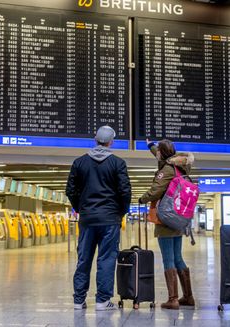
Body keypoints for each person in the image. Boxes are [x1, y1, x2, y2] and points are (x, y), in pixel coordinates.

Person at [66, 126, 131, 311]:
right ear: (111, 142)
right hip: (110, 219)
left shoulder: (79, 162)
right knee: (107, 259)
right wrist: (121, 212)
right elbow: (125, 191)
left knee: (83, 258)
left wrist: (81, 209)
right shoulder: (118, 163)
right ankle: (102, 301)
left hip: (87, 219)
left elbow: (70, 190)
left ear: (95, 140)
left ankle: (79, 300)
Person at [138, 139, 195, 310]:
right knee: (178, 258)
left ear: (162, 154)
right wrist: (150, 146)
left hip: (166, 219)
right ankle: (188, 297)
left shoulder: (167, 170)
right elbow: (161, 155)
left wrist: (142, 198)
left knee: (168, 259)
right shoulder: (179, 167)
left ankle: (173, 299)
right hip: (178, 219)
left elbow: (156, 190)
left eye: (158, 152)